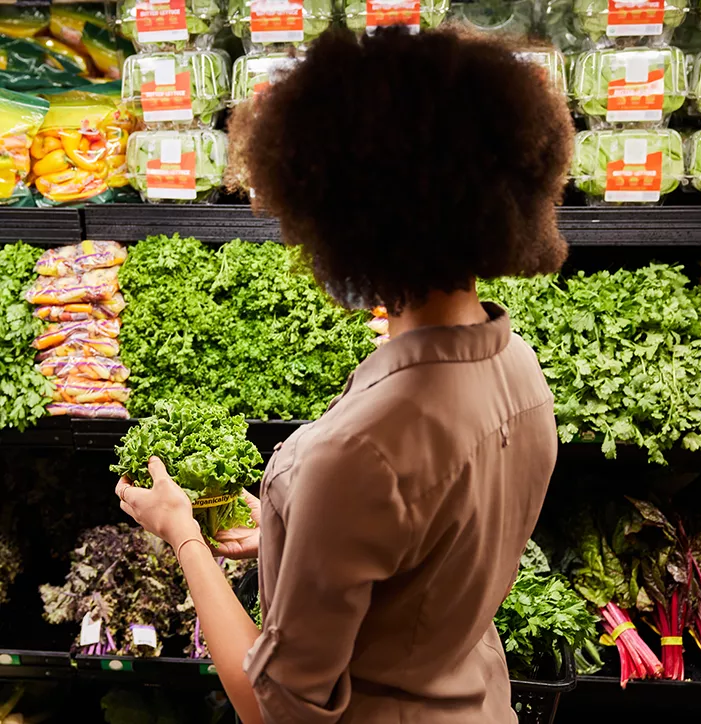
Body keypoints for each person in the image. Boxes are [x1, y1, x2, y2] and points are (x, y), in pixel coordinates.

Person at [115, 24, 573, 724]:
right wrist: (289, 533)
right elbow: (426, 554)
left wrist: (182, 531)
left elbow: (278, 712)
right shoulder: (520, 372)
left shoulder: (355, 454)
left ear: (339, 217)